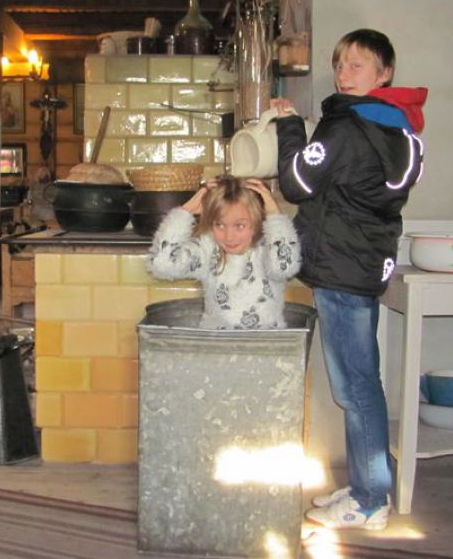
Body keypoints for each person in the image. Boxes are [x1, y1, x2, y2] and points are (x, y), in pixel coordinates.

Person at [273, 28, 427, 530]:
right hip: (362, 264)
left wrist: (289, 127)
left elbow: (296, 182)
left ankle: (370, 500)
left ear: (385, 73)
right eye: (340, 64)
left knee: (356, 388)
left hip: (340, 268)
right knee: (362, 384)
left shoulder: (346, 127)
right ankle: (366, 484)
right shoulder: (400, 130)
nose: (344, 73)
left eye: (357, 64)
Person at [146, 176, 301, 329]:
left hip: (266, 344)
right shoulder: (208, 251)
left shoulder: (268, 250)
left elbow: (285, 266)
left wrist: (275, 216)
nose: (229, 237)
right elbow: (162, 265)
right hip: (216, 344)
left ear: (257, 221)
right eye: (220, 225)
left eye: (239, 226)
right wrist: (185, 211)